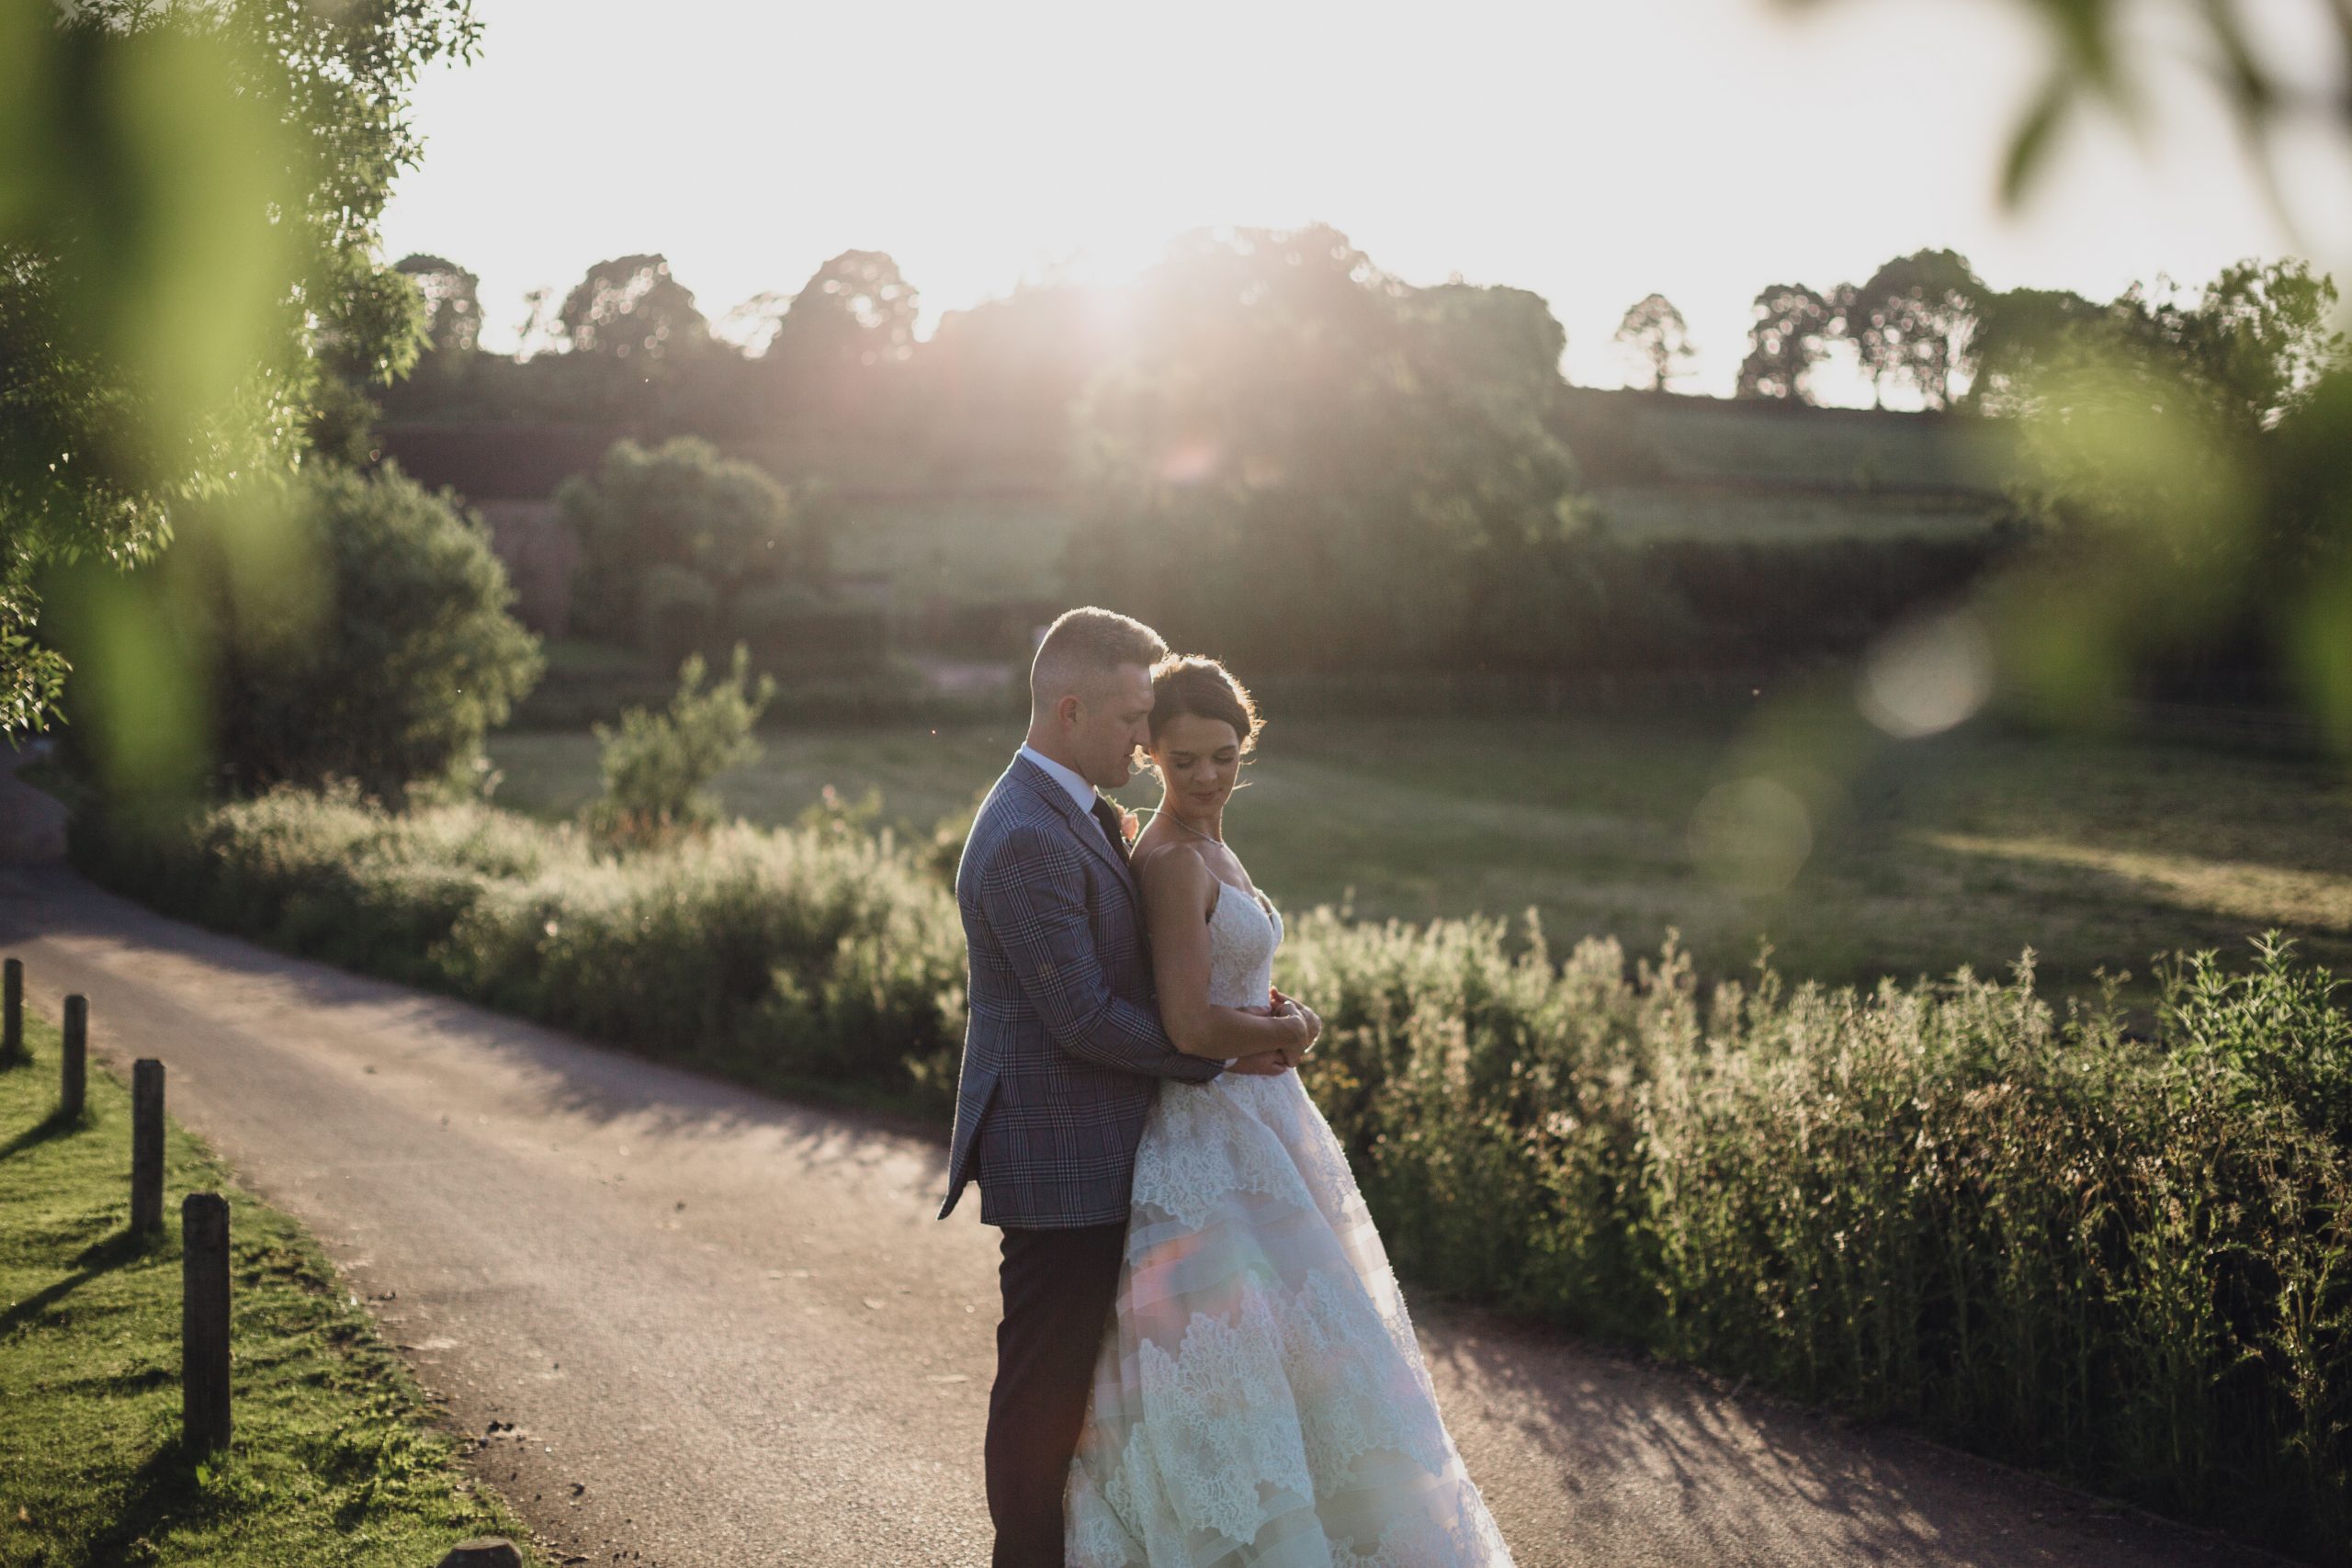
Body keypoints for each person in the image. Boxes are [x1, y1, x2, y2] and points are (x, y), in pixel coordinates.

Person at [1065, 655, 1516, 1568]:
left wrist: (1271, 1014)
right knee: (1239, 1361)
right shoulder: (1170, 861)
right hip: (1208, 1135)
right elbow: (1188, 1023)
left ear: (1247, 747)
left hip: (1262, 1122)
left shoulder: (1214, 848)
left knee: (1315, 1354)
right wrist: (1293, 1028)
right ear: (1150, 754)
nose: (1205, 776)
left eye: (1223, 757)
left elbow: (1221, 986)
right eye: (1183, 760)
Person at [941, 608, 1315, 1568]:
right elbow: (1083, 1018)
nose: (1144, 738)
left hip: (1105, 1145)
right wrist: (1222, 1051)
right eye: (1129, 719)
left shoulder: (1076, 809)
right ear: (1070, 710)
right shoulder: (1026, 833)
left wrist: (1239, 1008)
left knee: (1099, 1390)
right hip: (1057, 1156)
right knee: (1043, 1389)